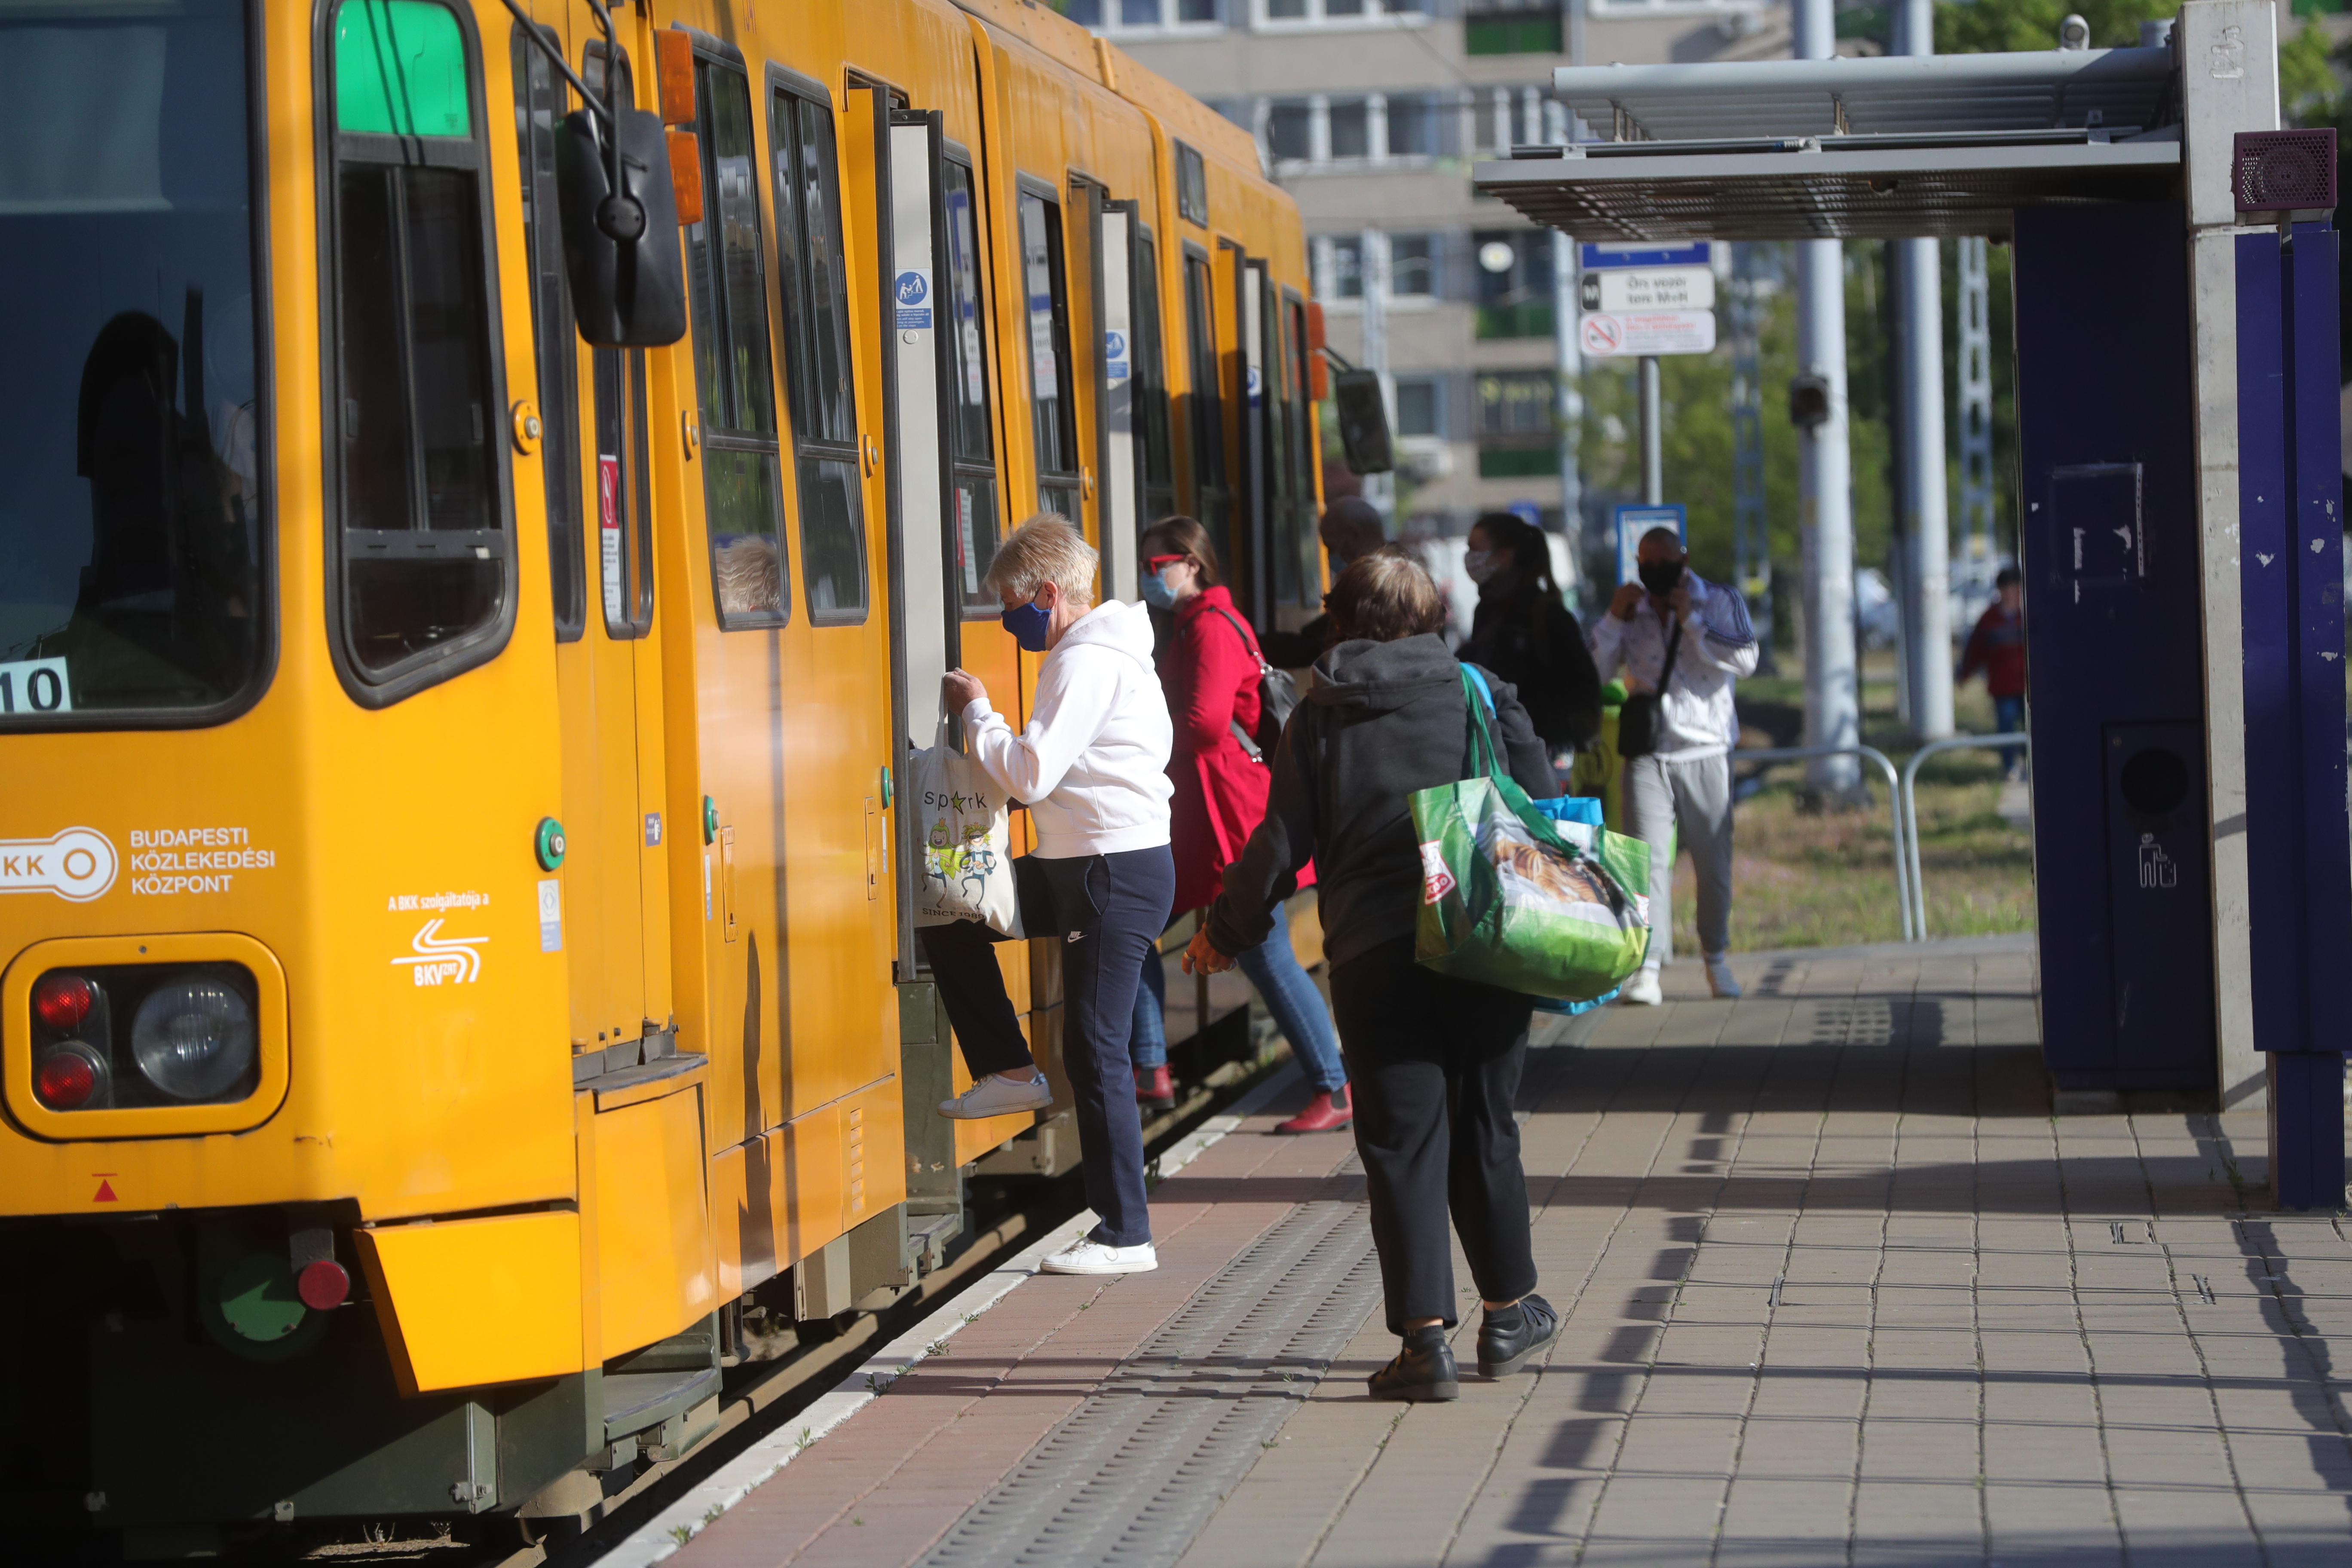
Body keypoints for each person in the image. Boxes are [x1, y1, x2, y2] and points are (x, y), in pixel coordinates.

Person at [1184, 548, 1561, 1402]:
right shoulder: (1479, 691)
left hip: (1372, 953)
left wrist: (1225, 931)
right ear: (1431, 619)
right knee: (1485, 1123)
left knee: (1400, 1142)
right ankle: (1509, 1312)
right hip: (1481, 939)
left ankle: (1424, 1345)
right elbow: (1541, 801)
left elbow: (1278, 847)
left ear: (1344, 623)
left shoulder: (1319, 716)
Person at [923, 517, 1176, 1276]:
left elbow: (1030, 774)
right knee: (950, 909)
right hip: (1087, 868)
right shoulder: (1097, 651)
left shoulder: (1086, 661)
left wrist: (978, 712)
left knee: (1095, 1046)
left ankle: (1127, 1233)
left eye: (1012, 600)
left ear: (1047, 591)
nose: (1009, 617)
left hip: (1109, 873)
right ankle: (1006, 1070)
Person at [1131, 516, 1350, 1134]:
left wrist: (1134, 733)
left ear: (1192, 564)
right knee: (1141, 924)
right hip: (1218, 816)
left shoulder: (1207, 629)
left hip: (1228, 819)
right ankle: (1151, 1067)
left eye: (1157, 565)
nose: (1150, 577)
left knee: (1260, 951)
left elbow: (1203, 724)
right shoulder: (1204, 624)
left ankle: (1333, 1087)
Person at [1589, 527, 1759, 1007]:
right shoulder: (1632, 609)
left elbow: (1746, 659)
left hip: (1704, 750)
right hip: (1648, 753)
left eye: (1665, 561)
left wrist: (1692, 622)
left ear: (1684, 559)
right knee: (1644, 864)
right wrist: (1613, 620)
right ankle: (1647, 967)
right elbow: (1593, 673)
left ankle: (1716, 958)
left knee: (1713, 862)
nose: (1656, 571)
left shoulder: (1718, 600)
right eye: (1647, 563)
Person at [1460, 511, 1604, 756]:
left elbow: (1583, 690)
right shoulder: (1486, 611)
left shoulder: (1547, 615)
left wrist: (1520, 710)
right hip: (1496, 748)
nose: (1469, 559)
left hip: (1540, 751)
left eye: (1476, 550)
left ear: (1505, 555)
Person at [1260, 496, 1387, 669]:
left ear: (1353, 534)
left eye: (1332, 550)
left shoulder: (1370, 588)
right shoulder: (1409, 577)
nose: (1330, 560)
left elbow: (1314, 645)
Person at [1958, 566, 2027, 778]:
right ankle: (2010, 768)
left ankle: (2032, 764)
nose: (2011, 593)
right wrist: (1965, 672)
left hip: (2029, 687)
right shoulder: (1989, 619)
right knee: (2006, 727)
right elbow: (1976, 649)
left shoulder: (2031, 614)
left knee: (2032, 727)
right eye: (2006, 588)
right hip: (2003, 685)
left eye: (2015, 588)